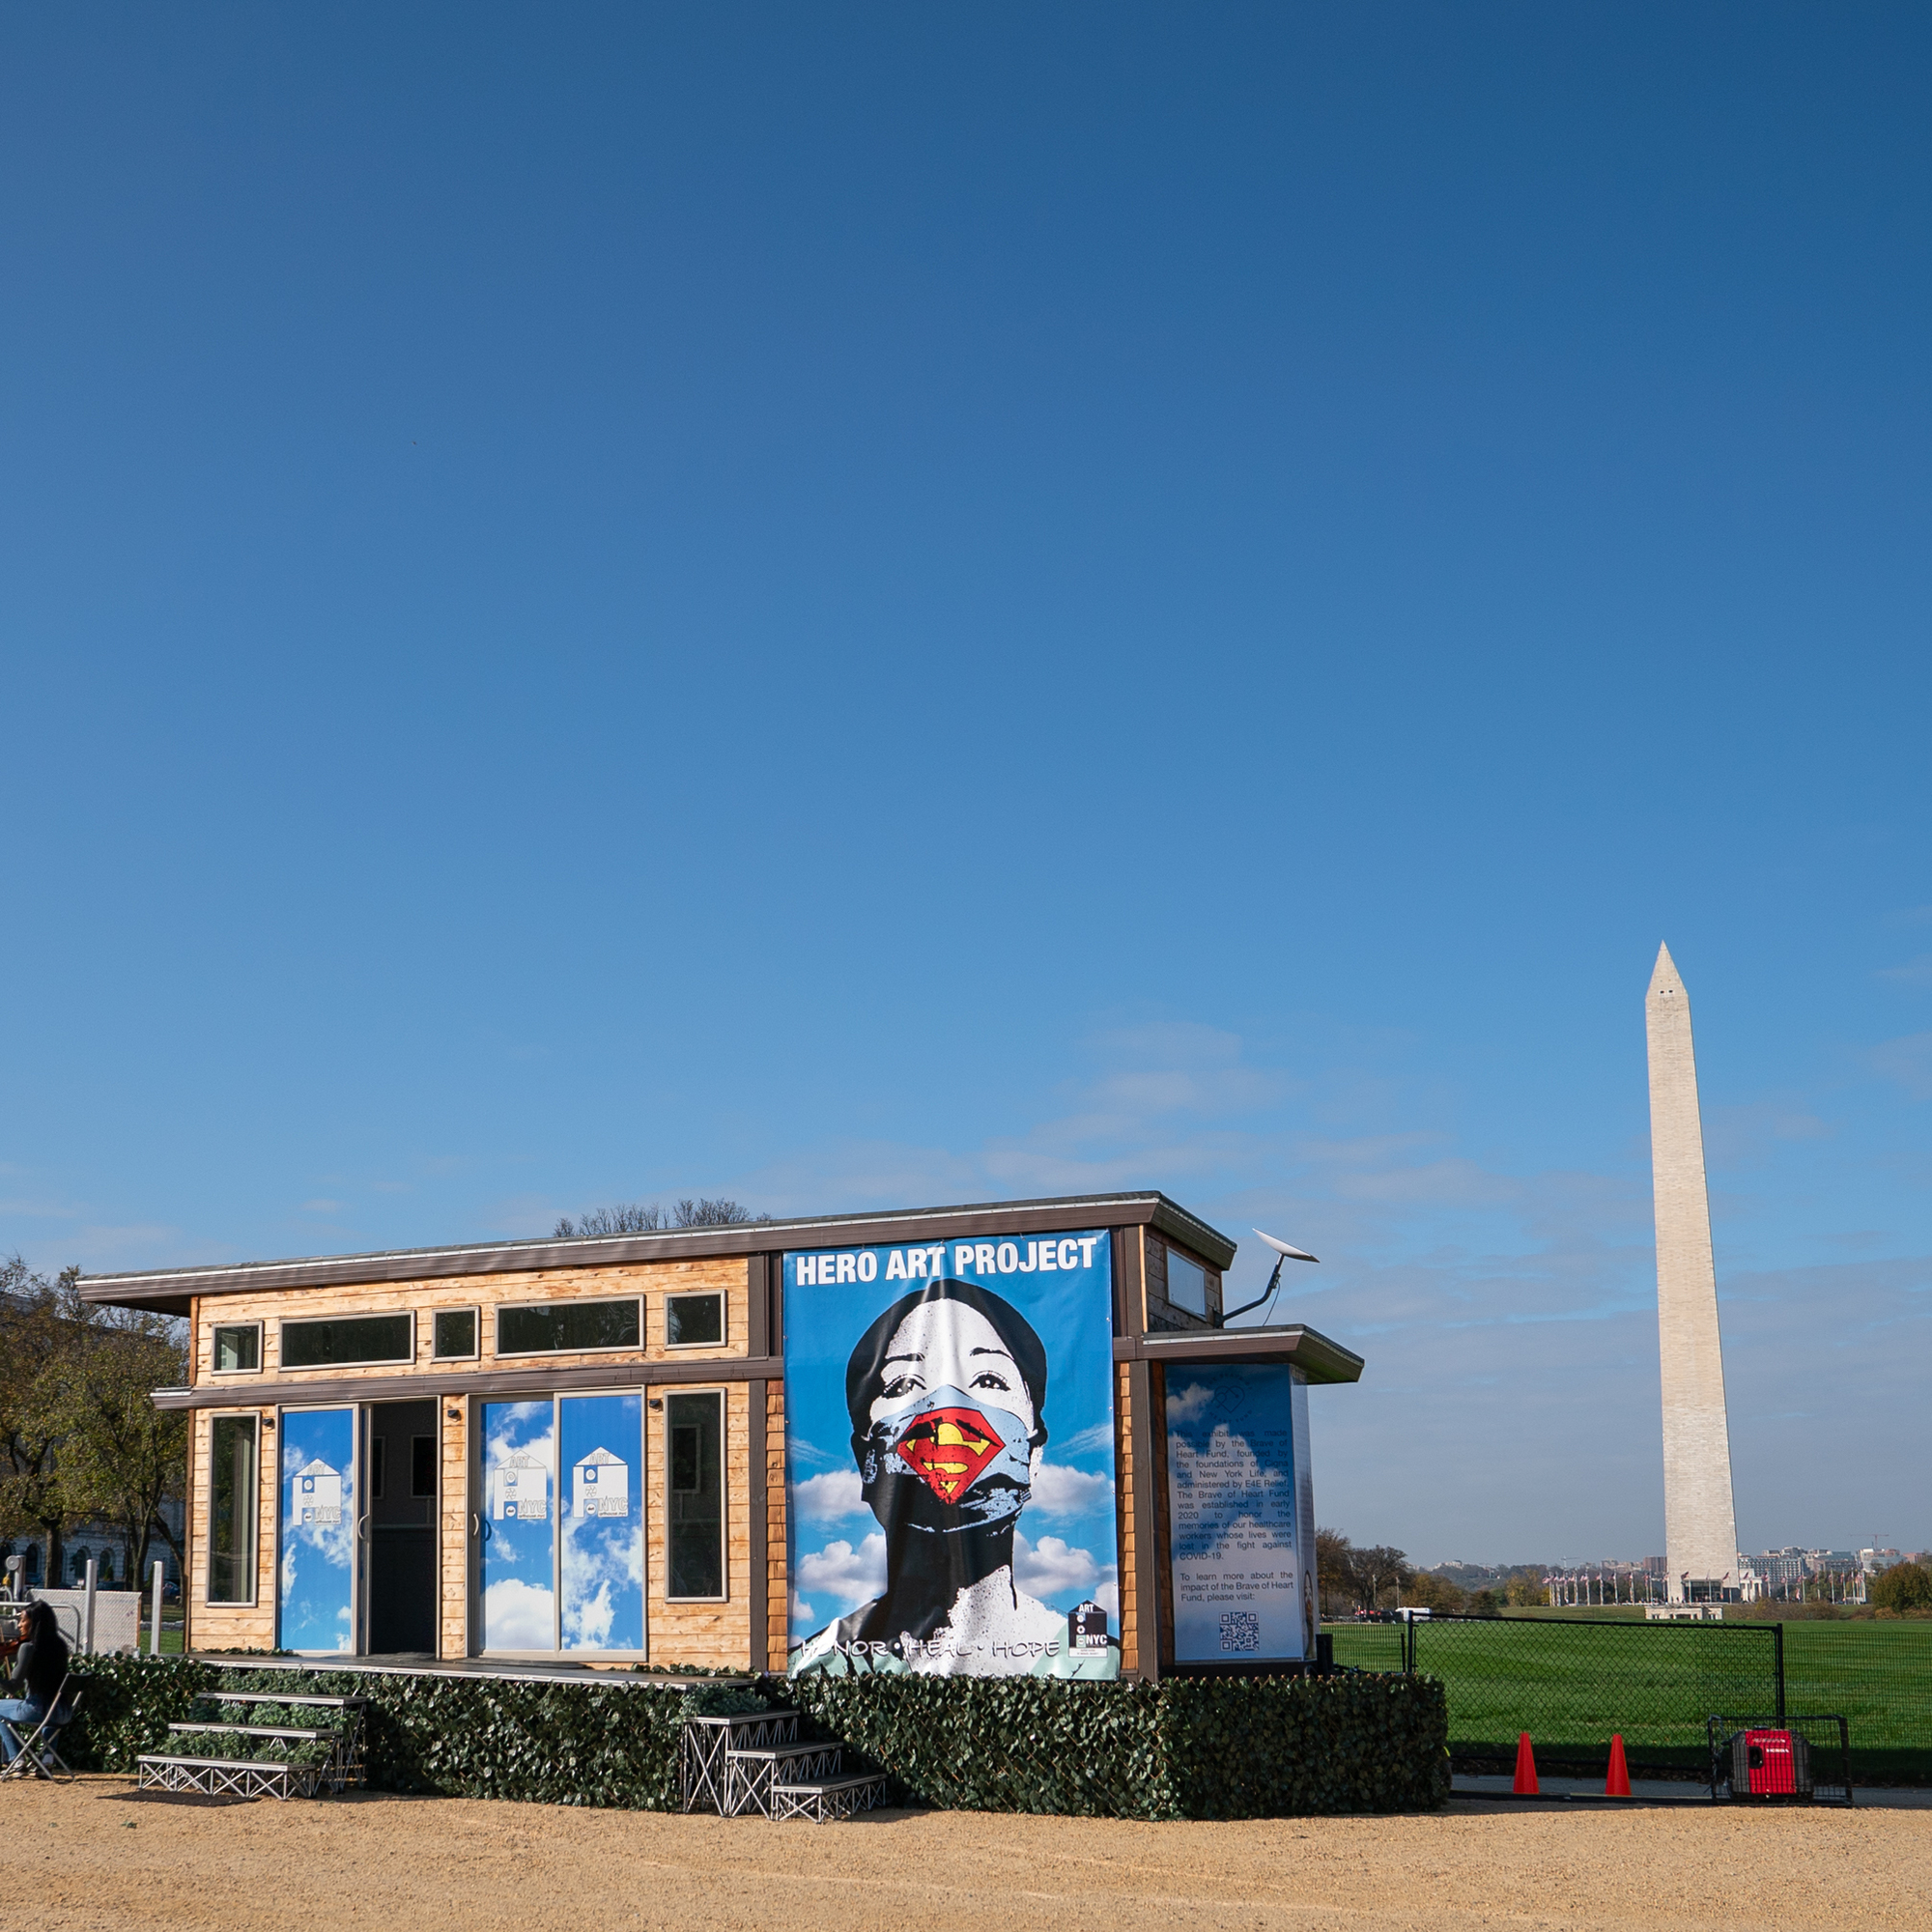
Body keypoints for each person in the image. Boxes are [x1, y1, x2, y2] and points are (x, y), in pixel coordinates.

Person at [789, 1278, 1118, 1678]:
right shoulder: (823, 1665)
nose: (946, 1412)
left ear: (1033, 1453)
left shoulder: (1085, 1660)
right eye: (905, 1384)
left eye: (989, 1380)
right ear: (865, 1460)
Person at [0, 1600, 70, 1764]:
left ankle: (16, 1759)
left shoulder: (28, 1648)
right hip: (62, 1712)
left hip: (37, 1709)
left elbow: (13, 1687)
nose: (19, 1625)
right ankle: (47, 1760)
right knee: (49, 1710)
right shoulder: (60, 1646)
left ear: (35, 1622)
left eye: (23, 1620)